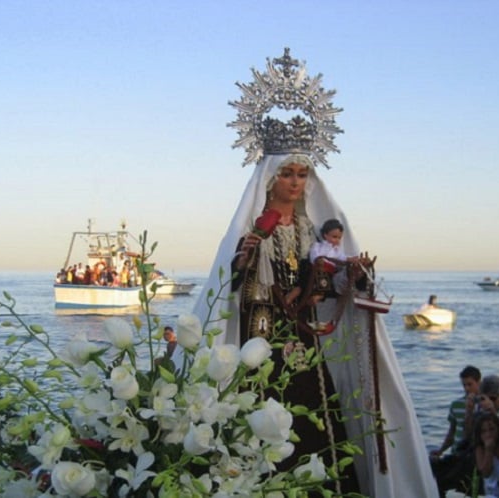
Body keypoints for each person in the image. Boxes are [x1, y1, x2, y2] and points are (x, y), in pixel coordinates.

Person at [181, 49, 438, 497]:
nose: (296, 182)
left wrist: (348, 279)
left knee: (315, 420)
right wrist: (247, 263)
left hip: (304, 339)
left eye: (303, 174)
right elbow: (230, 287)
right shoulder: (251, 230)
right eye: (288, 174)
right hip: (261, 342)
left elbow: (330, 279)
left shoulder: (316, 229)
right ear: (270, 179)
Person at [430, 365, 482, 497]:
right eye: (464, 385)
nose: (467, 388)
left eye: (470, 384)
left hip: (472, 453)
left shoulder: (483, 405)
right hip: (457, 452)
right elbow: (452, 432)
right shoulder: (456, 405)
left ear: (478, 383)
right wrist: (441, 449)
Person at [473, 412, 499, 498]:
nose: (488, 434)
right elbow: (486, 473)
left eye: (492, 429)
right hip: (493, 493)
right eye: (483, 431)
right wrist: (489, 451)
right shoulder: (480, 449)